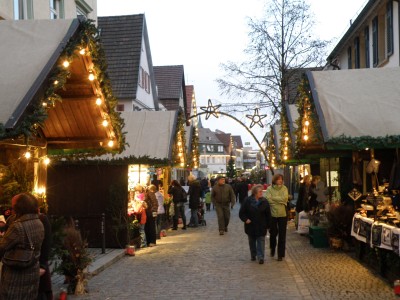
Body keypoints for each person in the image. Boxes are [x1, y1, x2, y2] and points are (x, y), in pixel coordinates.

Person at [0, 193, 44, 299]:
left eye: (13, 207)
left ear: (19, 207)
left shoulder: (18, 226)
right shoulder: (38, 222)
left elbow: (2, 247)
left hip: (16, 277)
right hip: (32, 273)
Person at [239, 185, 271, 264]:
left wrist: (268, 225)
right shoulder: (247, 201)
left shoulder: (264, 201)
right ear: (255, 193)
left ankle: (261, 257)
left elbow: (268, 215)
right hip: (251, 225)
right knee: (252, 241)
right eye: (260, 192)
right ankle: (253, 254)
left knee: (261, 241)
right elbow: (241, 213)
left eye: (262, 191)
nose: (261, 193)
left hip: (261, 225)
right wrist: (246, 219)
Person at [266, 174, 289, 261]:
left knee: (282, 235)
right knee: (273, 233)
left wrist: (274, 199)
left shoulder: (284, 188)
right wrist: (279, 201)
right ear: (275, 180)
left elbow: (285, 199)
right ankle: (272, 248)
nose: (280, 181)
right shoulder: (269, 189)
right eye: (279, 179)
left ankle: (280, 254)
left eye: (281, 179)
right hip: (272, 214)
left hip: (282, 214)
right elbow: (268, 199)